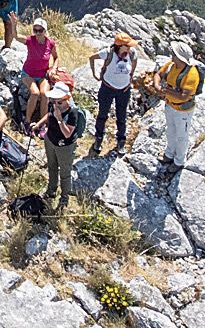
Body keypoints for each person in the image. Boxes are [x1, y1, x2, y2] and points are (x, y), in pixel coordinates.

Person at [154, 41, 204, 174]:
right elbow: (158, 74)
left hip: (183, 111)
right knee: (170, 131)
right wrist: (157, 85)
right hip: (170, 105)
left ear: (180, 57)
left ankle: (179, 161)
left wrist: (164, 90)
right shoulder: (171, 65)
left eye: (174, 54)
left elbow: (184, 96)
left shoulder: (192, 74)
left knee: (181, 136)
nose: (172, 56)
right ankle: (169, 154)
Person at [37, 82, 85, 212]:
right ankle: (51, 190)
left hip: (64, 146)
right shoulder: (53, 105)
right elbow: (49, 115)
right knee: (52, 166)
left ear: (66, 99)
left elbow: (68, 133)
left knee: (65, 172)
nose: (55, 104)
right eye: (53, 100)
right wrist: (38, 124)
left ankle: (64, 198)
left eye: (58, 102)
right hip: (50, 140)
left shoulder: (73, 112)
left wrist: (59, 119)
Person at [89, 33, 139, 157]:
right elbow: (92, 58)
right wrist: (95, 74)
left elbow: (135, 61)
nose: (129, 49)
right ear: (120, 46)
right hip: (107, 88)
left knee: (121, 116)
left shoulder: (132, 53)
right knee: (102, 114)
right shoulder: (108, 53)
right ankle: (99, 138)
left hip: (124, 90)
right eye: (127, 46)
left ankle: (121, 140)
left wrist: (131, 76)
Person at [19, 17, 58, 127]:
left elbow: (56, 58)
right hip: (28, 73)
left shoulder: (50, 43)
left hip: (42, 74)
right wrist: (13, 25)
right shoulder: (30, 41)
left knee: (45, 94)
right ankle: (27, 121)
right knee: (35, 93)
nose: (37, 33)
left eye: (40, 30)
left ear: (45, 31)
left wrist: (54, 68)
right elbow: (16, 37)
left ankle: (42, 123)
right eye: (35, 30)